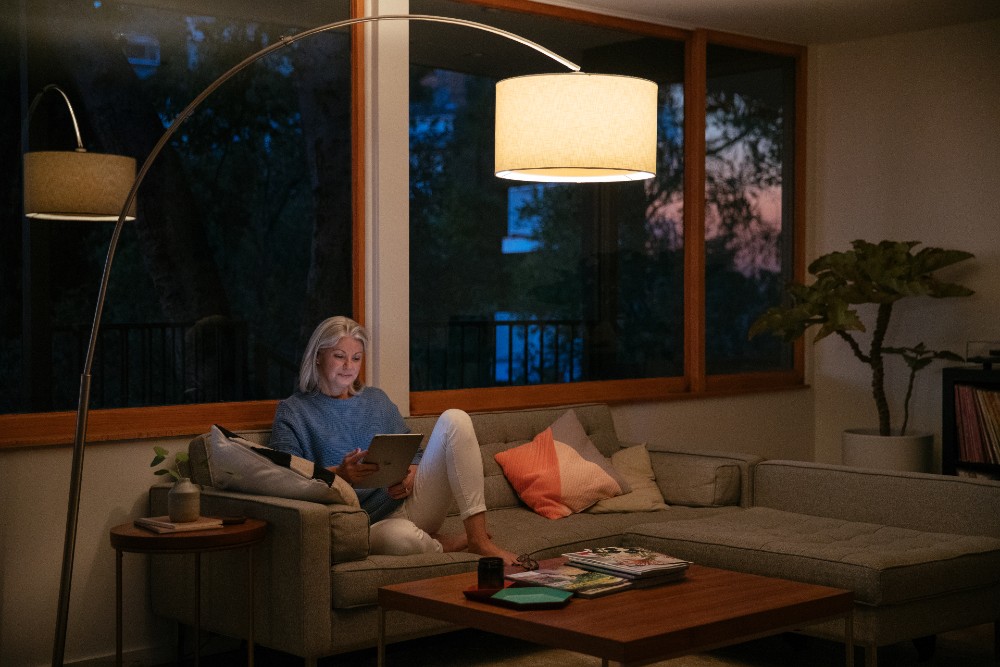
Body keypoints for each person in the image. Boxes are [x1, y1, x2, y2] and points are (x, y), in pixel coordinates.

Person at [270, 315, 517, 564]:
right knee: (402, 538)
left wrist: (410, 475)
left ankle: (478, 540)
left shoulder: (377, 400)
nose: (349, 366)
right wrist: (341, 474)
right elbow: (286, 479)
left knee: (456, 418)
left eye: (356, 358)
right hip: (364, 524)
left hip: (409, 504)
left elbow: (417, 454)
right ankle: (444, 542)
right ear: (317, 357)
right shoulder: (293, 412)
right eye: (339, 356)